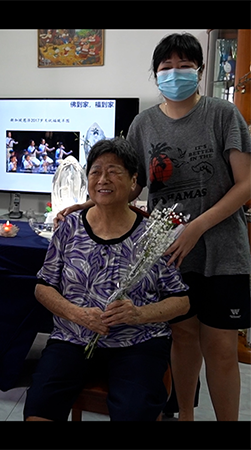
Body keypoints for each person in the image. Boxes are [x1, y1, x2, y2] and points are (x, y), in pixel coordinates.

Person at [56, 33, 251, 421]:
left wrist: (197, 226)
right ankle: (185, 417)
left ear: (199, 70)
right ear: (155, 74)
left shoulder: (223, 114)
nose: (174, 74)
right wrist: (88, 202)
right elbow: (131, 184)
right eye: (165, 68)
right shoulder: (143, 124)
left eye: (184, 66)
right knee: (181, 337)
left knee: (221, 349)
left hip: (222, 251)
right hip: (167, 253)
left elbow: (246, 184)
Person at [24, 138, 189, 421]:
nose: (103, 179)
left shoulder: (153, 235)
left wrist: (138, 314)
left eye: (114, 171)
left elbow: (182, 301)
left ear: (133, 179)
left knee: (133, 411)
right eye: (96, 172)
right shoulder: (70, 227)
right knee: (39, 409)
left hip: (137, 343)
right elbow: (43, 287)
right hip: (73, 339)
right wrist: (78, 315)